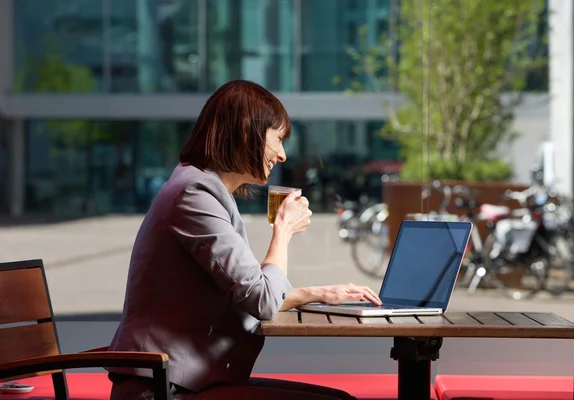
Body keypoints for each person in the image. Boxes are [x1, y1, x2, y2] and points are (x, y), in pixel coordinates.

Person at [106, 80, 382, 400]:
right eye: (278, 139)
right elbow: (261, 300)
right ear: (247, 133)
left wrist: (316, 293)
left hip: (185, 379)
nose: (282, 155)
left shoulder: (199, 188)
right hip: (164, 389)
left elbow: (246, 290)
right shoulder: (194, 194)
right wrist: (283, 231)